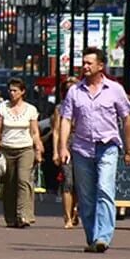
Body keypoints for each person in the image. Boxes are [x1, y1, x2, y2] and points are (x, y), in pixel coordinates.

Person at [58, 47, 130, 253]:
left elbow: (126, 118)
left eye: (89, 63)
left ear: (101, 66)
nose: (85, 66)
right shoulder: (75, 91)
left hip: (108, 146)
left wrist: (129, 149)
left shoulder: (115, 89)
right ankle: (93, 237)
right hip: (82, 148)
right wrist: (62, 147)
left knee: (104, 189)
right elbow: (66, 120)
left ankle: (103, 236)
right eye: (83, 63)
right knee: (86, 196)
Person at [0, 78, 44, 228]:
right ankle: (10, 217)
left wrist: (38, 149)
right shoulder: (3, 107)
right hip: (7, 149)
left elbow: (35, 132)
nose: (12, 93)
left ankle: (24, 215)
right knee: (9, 183)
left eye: (15, 90)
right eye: (10, 90)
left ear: (22, 92)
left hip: (25, 149)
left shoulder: (30, 109)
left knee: (23, 180)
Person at [52, 77, 79, 229]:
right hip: (66, 143)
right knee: (68, 181)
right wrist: (56, 151)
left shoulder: (83, 104)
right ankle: (67, 216)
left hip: (82, 144)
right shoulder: (60, 108)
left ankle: (75, 210)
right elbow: (56, 131)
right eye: (67, 90)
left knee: (79, 183)